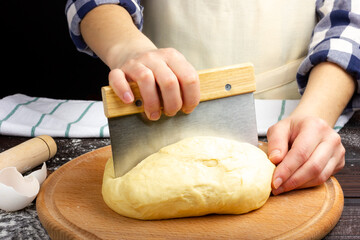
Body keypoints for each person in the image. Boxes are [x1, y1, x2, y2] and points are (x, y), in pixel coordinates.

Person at [65, 0, 360, 195]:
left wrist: (316, 114)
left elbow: (348, 21)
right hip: (158, 103)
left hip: (292, 108)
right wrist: (128, 48)